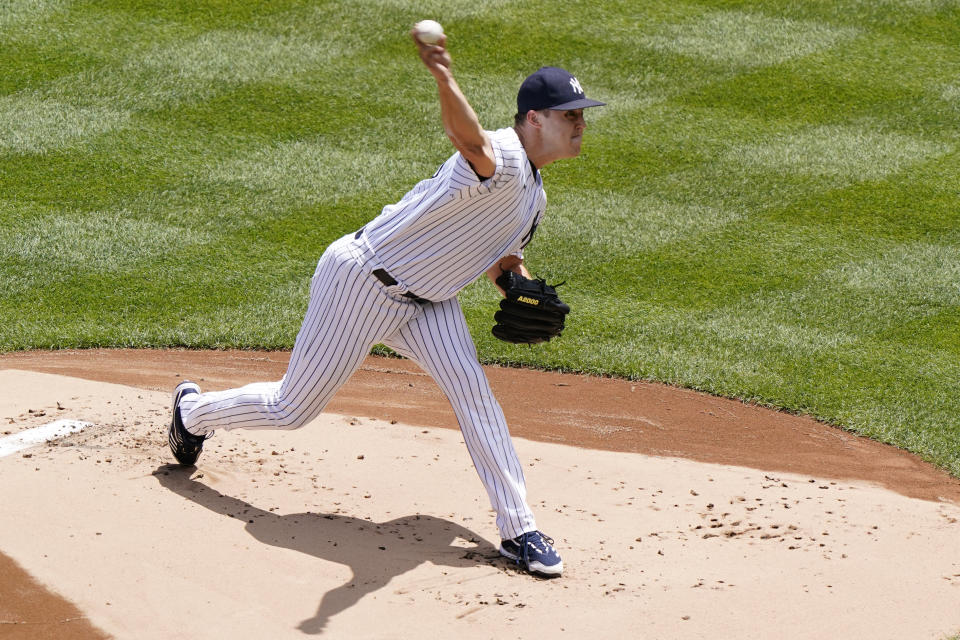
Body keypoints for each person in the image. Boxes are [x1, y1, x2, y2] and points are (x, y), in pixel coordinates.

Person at [167, 28, 605, 578]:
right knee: (290, 410)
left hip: (430, 305)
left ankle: (518, 529)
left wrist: (521, 287)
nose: (581, 123)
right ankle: (192, 412)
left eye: (582, 114)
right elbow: (471, 143)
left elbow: (499, 259)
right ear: (535, 118)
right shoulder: (507, 156)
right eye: (570, 115)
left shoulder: (534, 196)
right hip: (361, 282)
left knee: (475, 395)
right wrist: (444, 75)